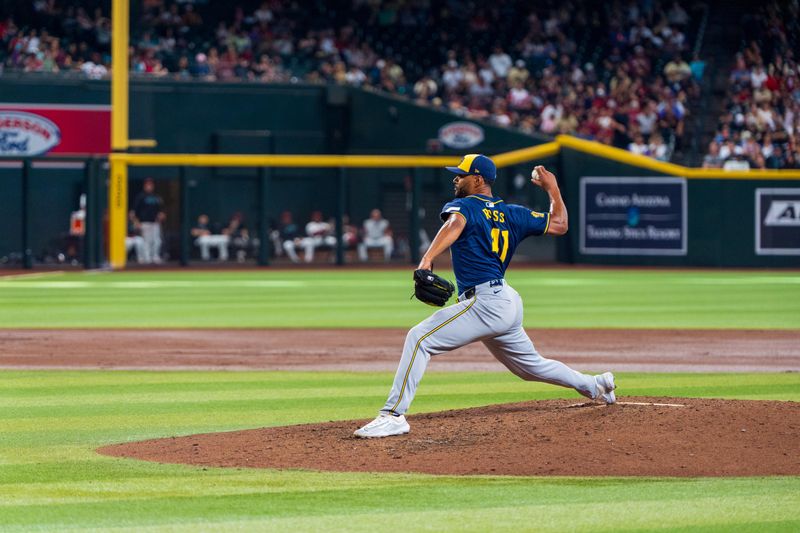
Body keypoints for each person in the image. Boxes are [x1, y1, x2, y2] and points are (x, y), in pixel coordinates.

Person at [354, 154, 616, 438]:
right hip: (506, 299)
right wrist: (552, 189)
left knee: (419, 339)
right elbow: (560, 224)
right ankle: (595, 384)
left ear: (478, 180)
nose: (456, 178)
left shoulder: (465, 205)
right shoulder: (514, 213)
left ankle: (393, 415)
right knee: (530, 367)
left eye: (461, 174)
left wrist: (427, 258)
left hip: (487, 303)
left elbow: (454, 223)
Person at [130, 177, 165, 264]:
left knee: (157, 241)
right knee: (147, 241)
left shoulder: (156, 197)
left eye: (151, 185)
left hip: (155, 222)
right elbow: (134, 211)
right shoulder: (140, 196)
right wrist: (136, 221)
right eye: (147, 185)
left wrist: (161, 215)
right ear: (145, 186)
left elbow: (161, 210)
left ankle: (155, 256)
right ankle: (147, 258)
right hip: (144, 222)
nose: (149, 186)